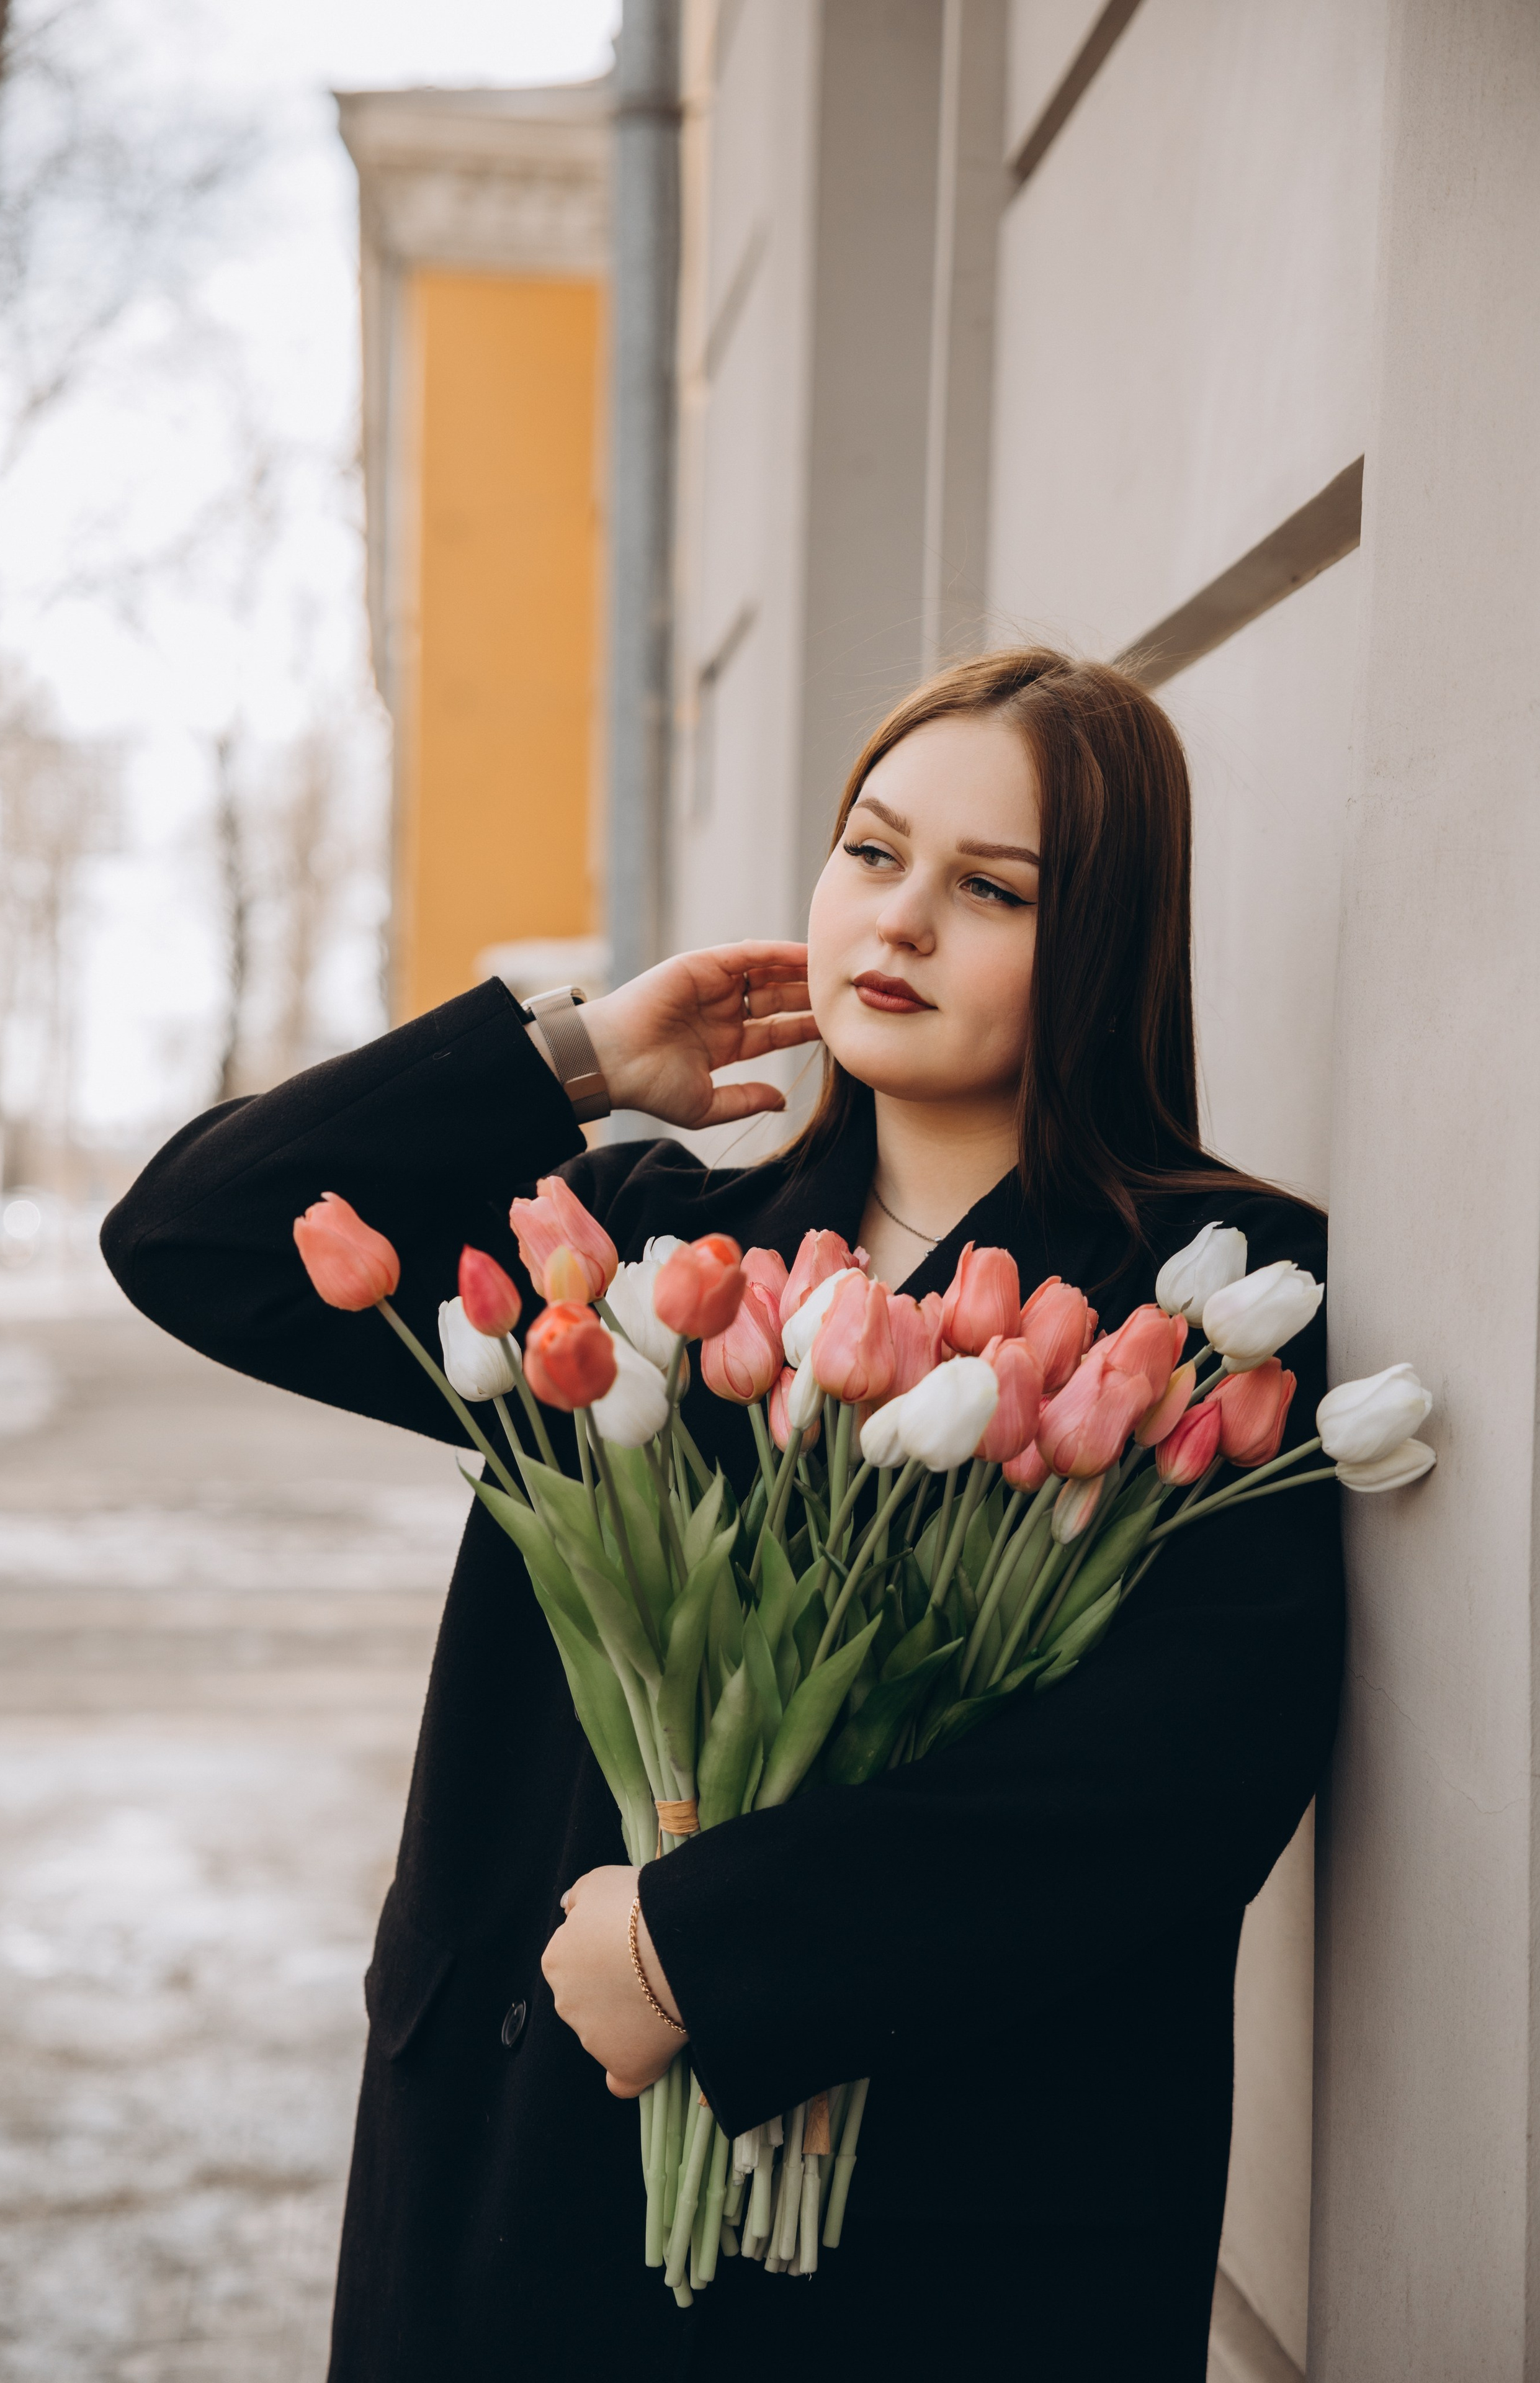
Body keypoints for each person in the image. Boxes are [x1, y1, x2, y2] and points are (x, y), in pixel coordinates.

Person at [101, 649, 1342, 2382]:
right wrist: (575, 1058)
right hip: (525, 2184)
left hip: (951, 2234)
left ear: (1107, 944)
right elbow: (194, 1239)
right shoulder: (638, 1252)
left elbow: (1180, 1768)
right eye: (871, 852)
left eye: (990, 890)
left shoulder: (1196, 1306)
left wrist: (698, 1950)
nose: (899, 919)